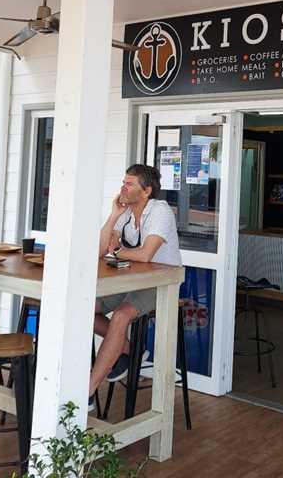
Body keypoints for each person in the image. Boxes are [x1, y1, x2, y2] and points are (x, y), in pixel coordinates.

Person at [89, 164, 181, 407]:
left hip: (162, 283)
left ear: (146, 191)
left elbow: (146, 255)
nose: (122, 188)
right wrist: (112, 216)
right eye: (123, 182)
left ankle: (88, 390)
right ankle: (131, 349)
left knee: (121, 316)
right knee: (84, 309)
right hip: (130, 281)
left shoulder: (160, 211)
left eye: (129, 184)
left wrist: (118, 250)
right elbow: (100, 251)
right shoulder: (126, 213)